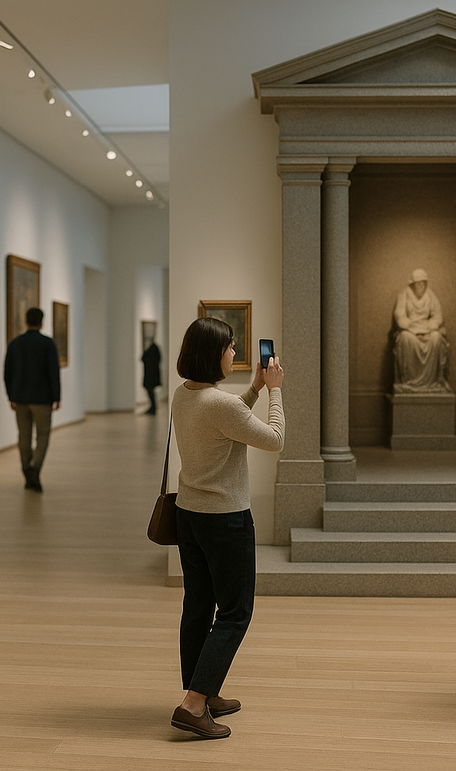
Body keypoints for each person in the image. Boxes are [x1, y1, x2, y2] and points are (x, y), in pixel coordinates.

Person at [169, 317, 284, 739]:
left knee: (198, 606)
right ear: (213, 354)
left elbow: (228, 420)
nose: (235, 352)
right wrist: (274, 391)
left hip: (189, 515)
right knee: (235, 613)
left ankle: (202, 691)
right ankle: (193, 704)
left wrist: (254, 388)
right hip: (226, 521)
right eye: (230, 347)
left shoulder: (184, 395)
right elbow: (274, 439)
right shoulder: (221, 405)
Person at [3, 306, 61, 492]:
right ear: (42, 322)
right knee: (43, 435)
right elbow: (53, 372)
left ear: (26, 321)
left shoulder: (15, 344)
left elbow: (7, 372)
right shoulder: (47, 344)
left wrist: (11, 395)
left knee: (24, 436)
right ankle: (34, 470)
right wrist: (56, 396)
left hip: (20, 398)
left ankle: (27, 471)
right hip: (42, 399)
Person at [392, 268, 451, 392]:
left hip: (427, 327)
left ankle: (433, 380)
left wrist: (432, 325)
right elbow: (400, 313)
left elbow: (437, 314)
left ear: (426, 283)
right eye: (417, 283)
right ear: (412, 284)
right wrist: (406, 323)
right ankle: (408, 380)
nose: (420, 286)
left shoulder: (430, 295)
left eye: (422, 283)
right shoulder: (404, 294)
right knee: (405, 338)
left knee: (436, 338)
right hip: (410, 328)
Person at [141, 338, 162, 415]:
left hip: (151, 374)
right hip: (151, 373)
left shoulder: (153, 348)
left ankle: (153, 407)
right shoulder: (153, 348)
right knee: (150, 390)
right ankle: (153, 406)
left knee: (150, 389)